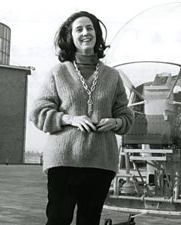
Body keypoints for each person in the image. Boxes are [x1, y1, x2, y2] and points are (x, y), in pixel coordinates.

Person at [29, 11, 134, 225]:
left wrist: (116, 122)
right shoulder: (58, 72)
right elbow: (38, 112)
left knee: (89, 221)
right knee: (58, 219)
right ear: (71, 37)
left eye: (89, 28)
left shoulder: (113, 76)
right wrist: (69, 119)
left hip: (100, 163)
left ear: (97, 34)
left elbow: (126, 115)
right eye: (79, 29)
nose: (85, 32)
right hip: (63, 161)